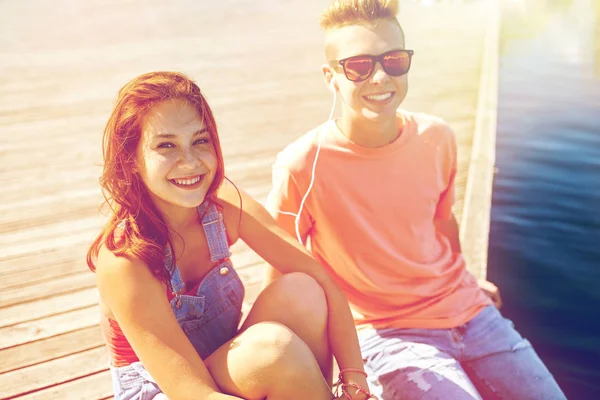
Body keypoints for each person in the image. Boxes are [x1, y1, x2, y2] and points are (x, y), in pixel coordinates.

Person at [264, 1, 567, 399]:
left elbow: (443, 222)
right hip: (387, 333)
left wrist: (467, 278)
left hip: (470, 312)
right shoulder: (302, 165)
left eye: (393, 60)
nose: (379, 77)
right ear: (331, 77)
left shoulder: (437, 137)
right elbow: (279, 267)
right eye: (358, 65)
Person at [87, 71, 377, 400]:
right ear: (132, 160)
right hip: (172, 392)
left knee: (303, 291)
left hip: (222, 369)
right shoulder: (125, 259)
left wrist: (355, 381)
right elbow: (193, 392)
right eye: (166, 145)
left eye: (200, 140)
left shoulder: (223, 205)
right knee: (272, 350)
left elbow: (322, 279)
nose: (190, 161)